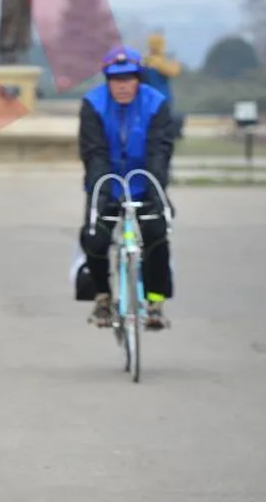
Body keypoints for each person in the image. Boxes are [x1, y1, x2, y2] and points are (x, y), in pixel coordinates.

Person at [78, 45, 177, 331]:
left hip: (145, 183)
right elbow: (93, 153)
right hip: (107, 183)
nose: (122, 86)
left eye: (128, 78)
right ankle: (103, 297)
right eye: (115, 79)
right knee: (94, 238)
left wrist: (157, 192)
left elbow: (159, 151)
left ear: (139, 79)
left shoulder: (155, 103)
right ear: (107, 80)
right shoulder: (93, 103)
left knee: (157, 234)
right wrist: (101, 195)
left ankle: (155, 302)